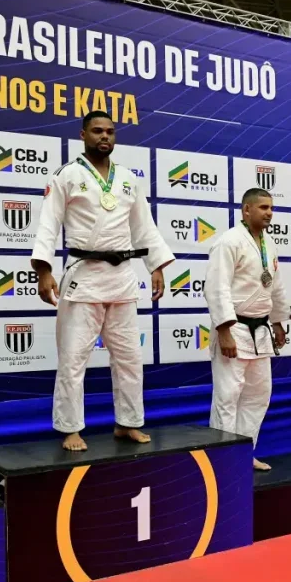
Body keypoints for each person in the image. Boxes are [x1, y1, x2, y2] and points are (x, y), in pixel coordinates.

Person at [32, 110, 174, 451]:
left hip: (123, 277)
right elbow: (49, 224)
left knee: (129, 357)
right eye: (97, 131)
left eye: (110, 131)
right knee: (73, 358)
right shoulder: (66, 175)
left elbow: (143, 225)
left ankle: (128, 423)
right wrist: (44, 270)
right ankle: (70, 429)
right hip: (84, 275)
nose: (105, 136)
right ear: (82, 135)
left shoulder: (127, 178)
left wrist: (156, 265)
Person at [205, 188, 289, 471]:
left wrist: (278, 321)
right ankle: (222, 460)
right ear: (246, 210)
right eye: (263, 207)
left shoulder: (269, 243)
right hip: (235, 327)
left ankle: (243, 453)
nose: (268, 213)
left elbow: (275, 286)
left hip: (260, 331)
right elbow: (216, 288)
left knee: (258, 394)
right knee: (228, 396)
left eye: (271, 208)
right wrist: (225, 330)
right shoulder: (228, 242)